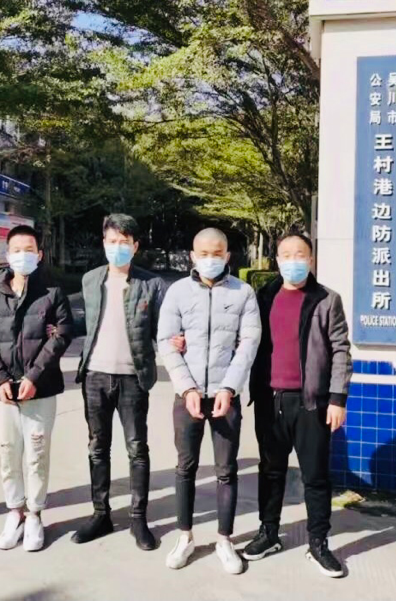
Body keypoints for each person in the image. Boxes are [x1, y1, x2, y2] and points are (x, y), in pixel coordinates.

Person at [242, 232, 352, 578]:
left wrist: (337, 399)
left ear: (311, 259)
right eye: (286, 255)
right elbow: (243, 339)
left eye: (300, 254)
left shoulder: (326, 299)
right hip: (269, 399)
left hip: (311, 403)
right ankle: (268, 532)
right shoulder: (264, 296)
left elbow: (340, 350)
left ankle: (318, 542)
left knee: (315, 476)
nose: (293, 261)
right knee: (270, 470)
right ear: (277, 260)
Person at [157, 227, 261, 574]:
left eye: (217, 253)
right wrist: (187, 388)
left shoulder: (243, 293)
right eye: (203, 253)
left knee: (226, 470)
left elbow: (249, 345)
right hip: (186, 396)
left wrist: (228, 388)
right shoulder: (177, 292)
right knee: (185, 468)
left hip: (225, 396)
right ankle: (185, 536)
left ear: (227, 256)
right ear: (192, 256)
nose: (210, 259)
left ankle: (224, 540)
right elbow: (166, 343)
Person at [71, 214, 167, 551]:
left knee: (137, 448)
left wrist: (176, 342)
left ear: (135, 246)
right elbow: (87, 322)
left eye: (124, 242)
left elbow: (163, 330)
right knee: (97, 447)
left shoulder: (152, 284)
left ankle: (138, 519)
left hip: (133, 377)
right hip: (95, 375)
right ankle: (101, 514)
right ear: (104, 243)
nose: (118, 247)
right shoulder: (91, 279)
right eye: (112, 241)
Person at [0, 225, 73, 552]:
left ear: (39, 254)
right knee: (8, 453)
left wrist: (33, 378)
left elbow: (61, 336)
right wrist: (0, 380)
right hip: (5, 392)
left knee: (37, 454)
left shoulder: (52, 293)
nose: (23, 255)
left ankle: (34, 514)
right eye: (16, 250)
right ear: (7, 255)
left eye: (29, 249)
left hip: (40, 389)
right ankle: (14, 512)